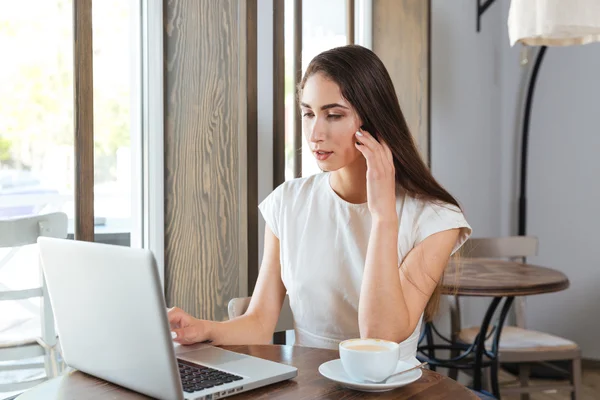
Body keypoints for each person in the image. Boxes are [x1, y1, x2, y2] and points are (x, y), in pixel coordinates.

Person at [168, 45, 472, 358]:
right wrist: (202, 328)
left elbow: (380, 338)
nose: (315, 133)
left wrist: (383, 218)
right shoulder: (288, 203)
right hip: (308, 386)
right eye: (309, 113)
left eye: (334, 115)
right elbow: (258, 323)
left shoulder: (435, 218)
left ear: (374, 119)